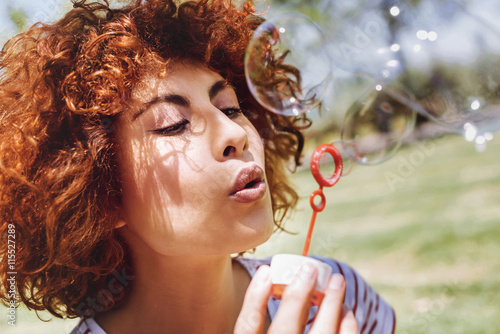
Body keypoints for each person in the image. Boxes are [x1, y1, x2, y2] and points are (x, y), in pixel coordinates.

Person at [0, 0, 395, 333]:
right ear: (105, 197)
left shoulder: (336, 299)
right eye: (173, 124)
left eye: (231, 108)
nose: (234, 134)